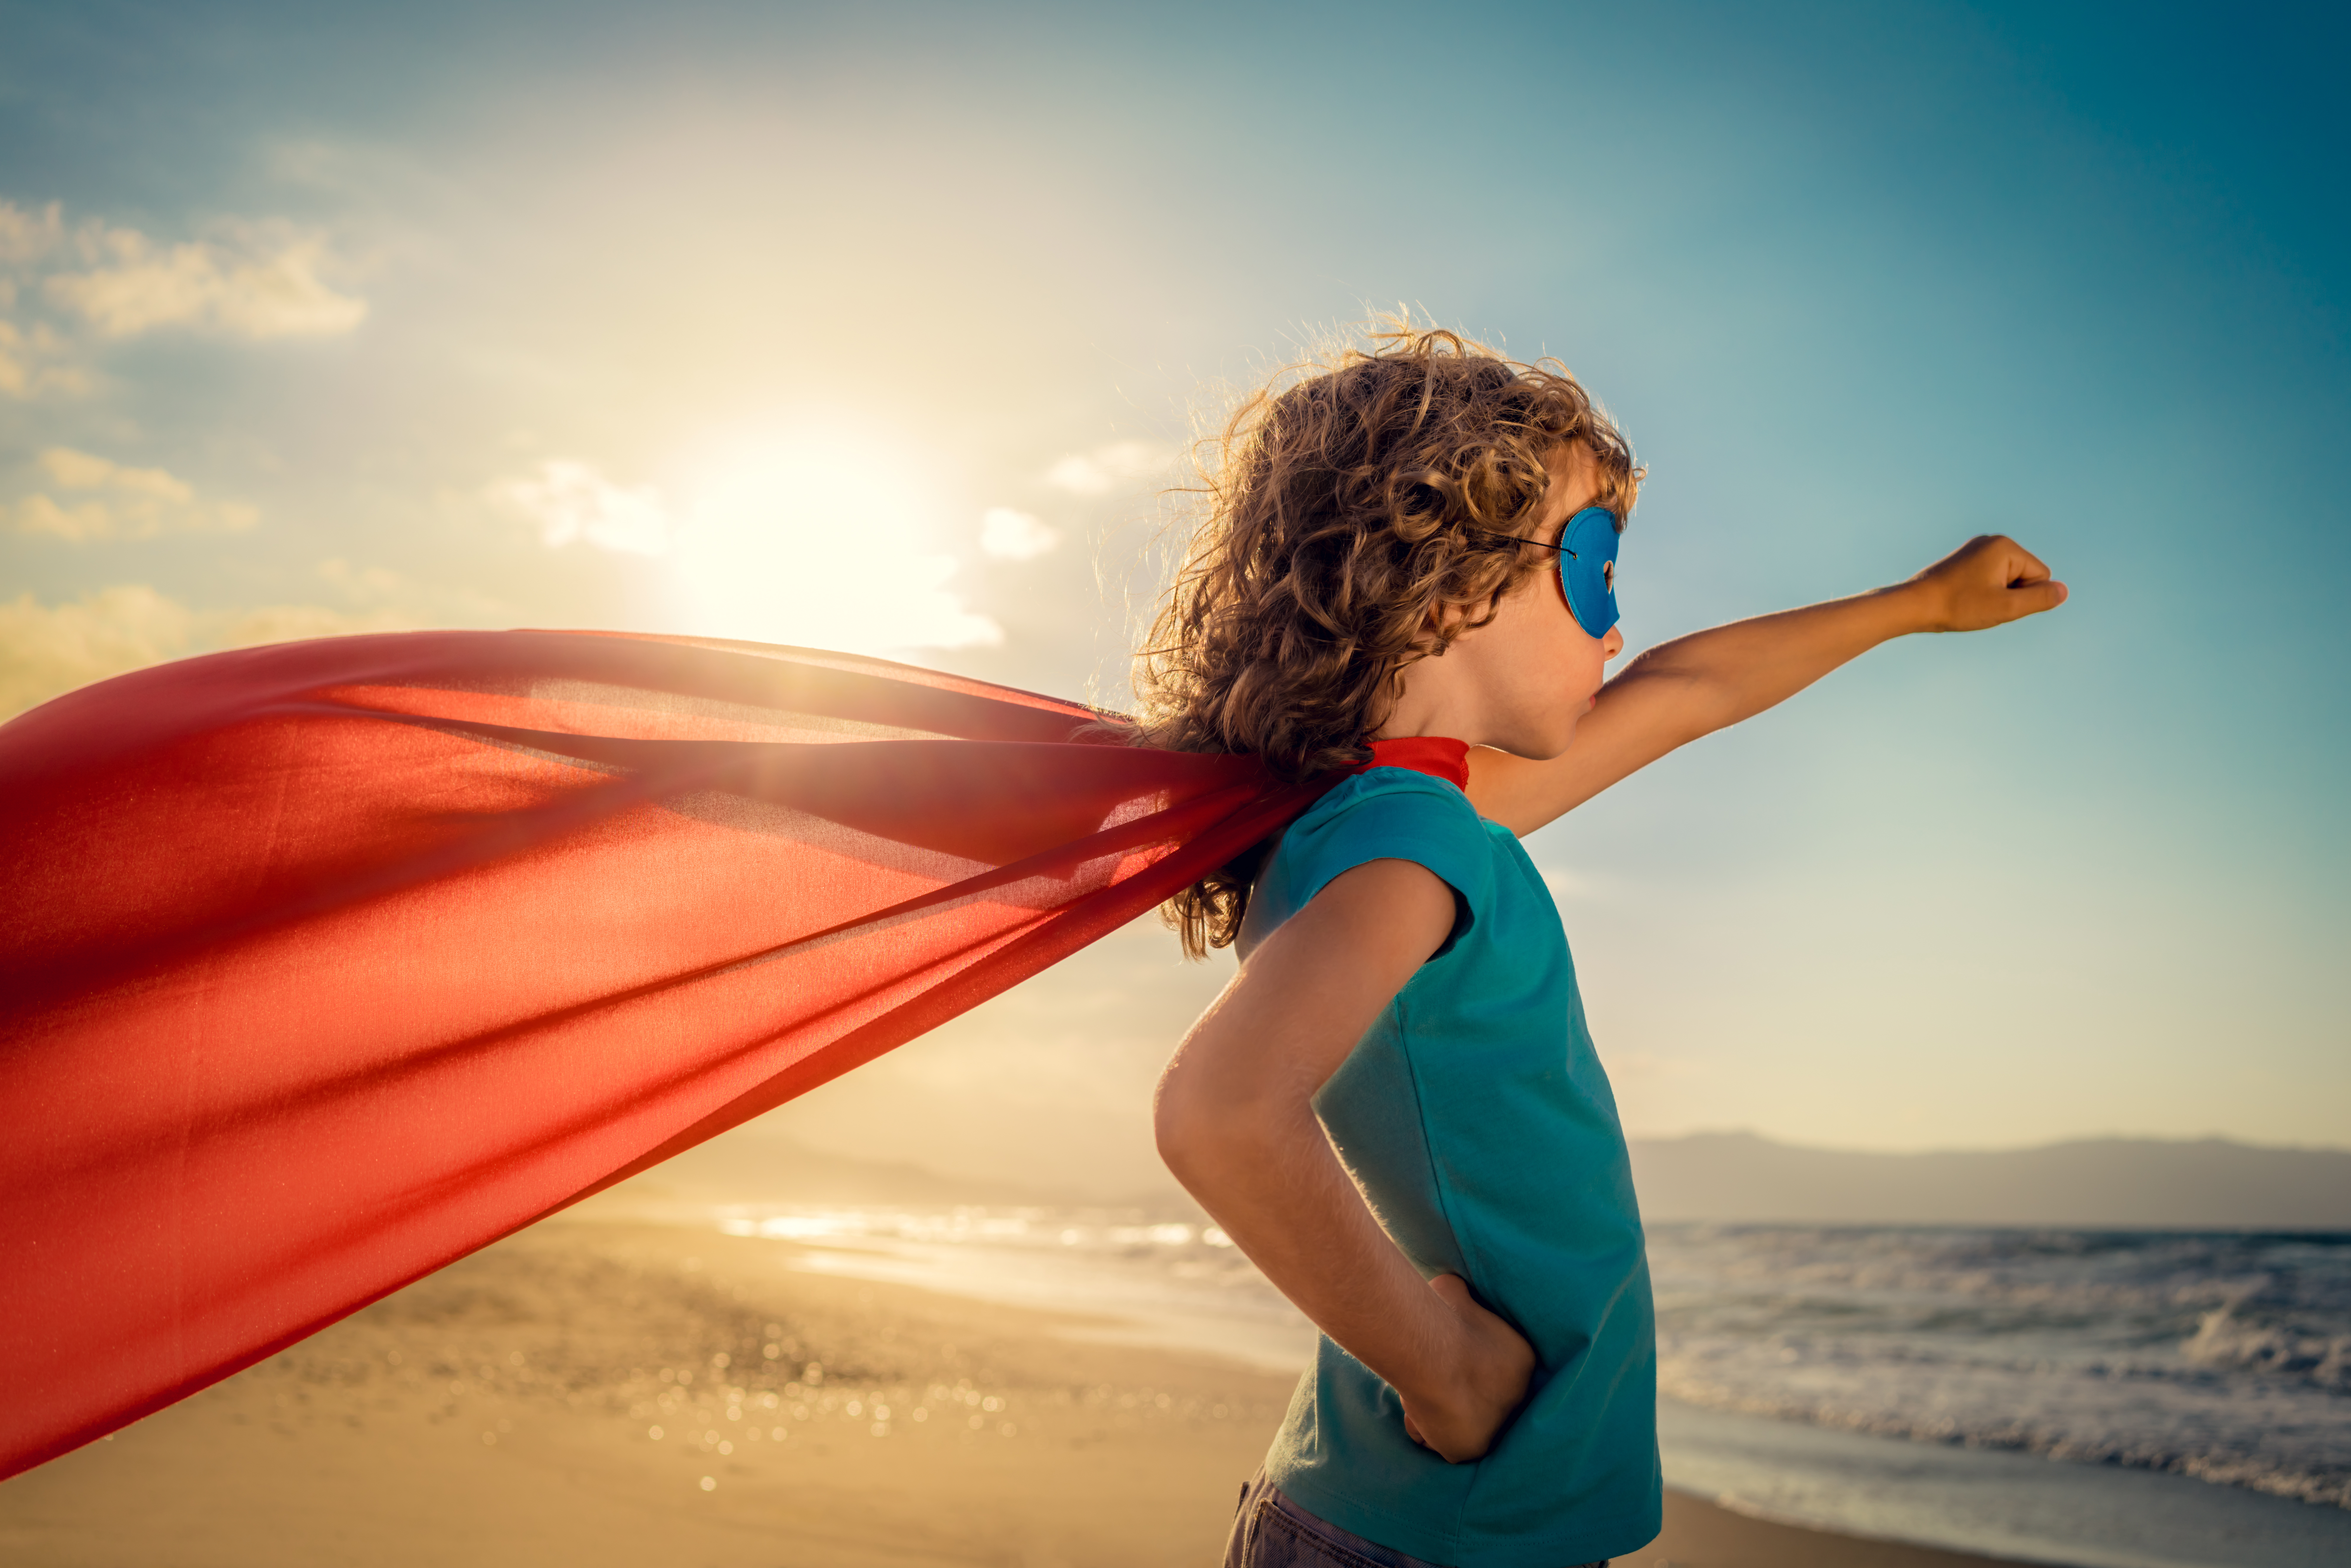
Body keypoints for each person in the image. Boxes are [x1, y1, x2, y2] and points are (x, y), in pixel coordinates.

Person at [1141, 325, 2067, 1568]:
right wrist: (1444, 1371)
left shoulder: (1381, 813)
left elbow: (1686, 692)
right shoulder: (1409, 849)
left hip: (1406, 1522)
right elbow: (1222, 1113)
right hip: (1444, 1541)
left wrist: (1912, 606)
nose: (1615, 623)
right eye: (1591, 568)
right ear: (1452, 582)